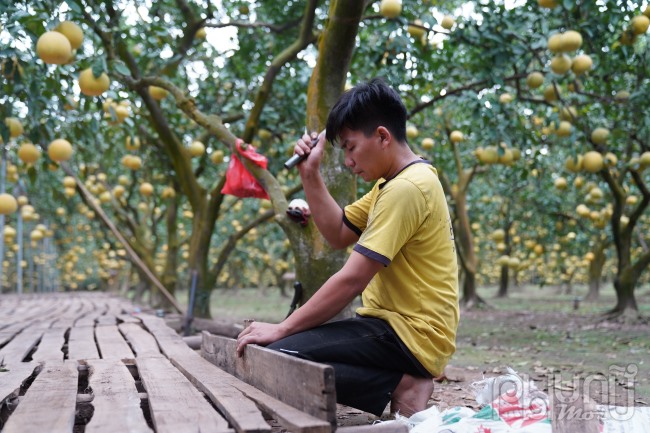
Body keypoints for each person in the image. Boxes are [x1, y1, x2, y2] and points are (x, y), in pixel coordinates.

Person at [236, 78, 459, 418]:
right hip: (394, 328)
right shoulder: (394, 183)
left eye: (351, 147)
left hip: (409, 333)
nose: (348, 162)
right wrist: (311, 174)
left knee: (279, 355)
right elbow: (339, 233)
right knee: (278, 353)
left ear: (382, 136)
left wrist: (282, 327)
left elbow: (353, 279)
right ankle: (400, 381)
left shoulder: (408, 188)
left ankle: (403, 384)